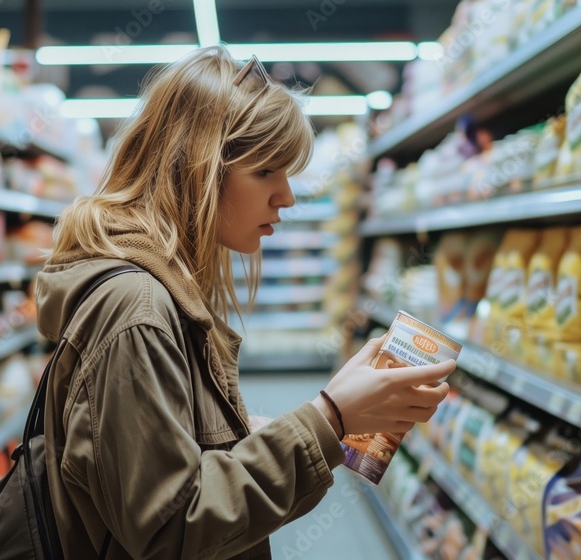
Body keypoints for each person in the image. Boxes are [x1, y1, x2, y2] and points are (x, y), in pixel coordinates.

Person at [35, 45, 455, 560]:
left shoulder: (159, 288)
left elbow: (169, 459)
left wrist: (282, 422)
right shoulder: (137, 308)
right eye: (266, 173)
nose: (288, 196)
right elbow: (172, 528)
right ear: (196, 169)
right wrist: (331, 418)